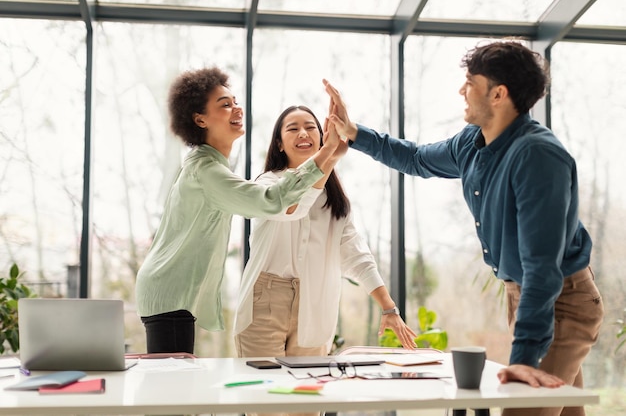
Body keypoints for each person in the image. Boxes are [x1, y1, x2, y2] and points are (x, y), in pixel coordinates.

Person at [324, 40, 604, 416]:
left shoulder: (537, 157)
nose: (462, 90)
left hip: (561, 302)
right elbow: (418, 158)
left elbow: (542, 270)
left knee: (523, 408)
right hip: (525, 297)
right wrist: (353, 131)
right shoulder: (473, 142)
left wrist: (521, 360)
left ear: (499, 94)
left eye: (470, 82)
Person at [135, 67, 347, 355]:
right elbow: (273, 200)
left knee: (175, 380)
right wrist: (327, 150)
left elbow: (288, 205)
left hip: (172, 292)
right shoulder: (206, 171)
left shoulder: (209, 166)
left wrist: (330, 153)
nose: (237, 108)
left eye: (235, 101)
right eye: (225, 104)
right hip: (169, 292)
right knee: (171, 386)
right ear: (200, 119)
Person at [233, 105, 417, 364]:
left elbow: (357, 256)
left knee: (308, 398)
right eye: (293, 128)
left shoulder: (336, 201)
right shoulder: (267, 185)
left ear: (321, 137)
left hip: (316, 301)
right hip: (265, 299)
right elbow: (291, 206)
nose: (303, 133)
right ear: (280, 144)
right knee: (265, 398)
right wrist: (329, 157)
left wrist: (389, 308)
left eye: (310, 127)